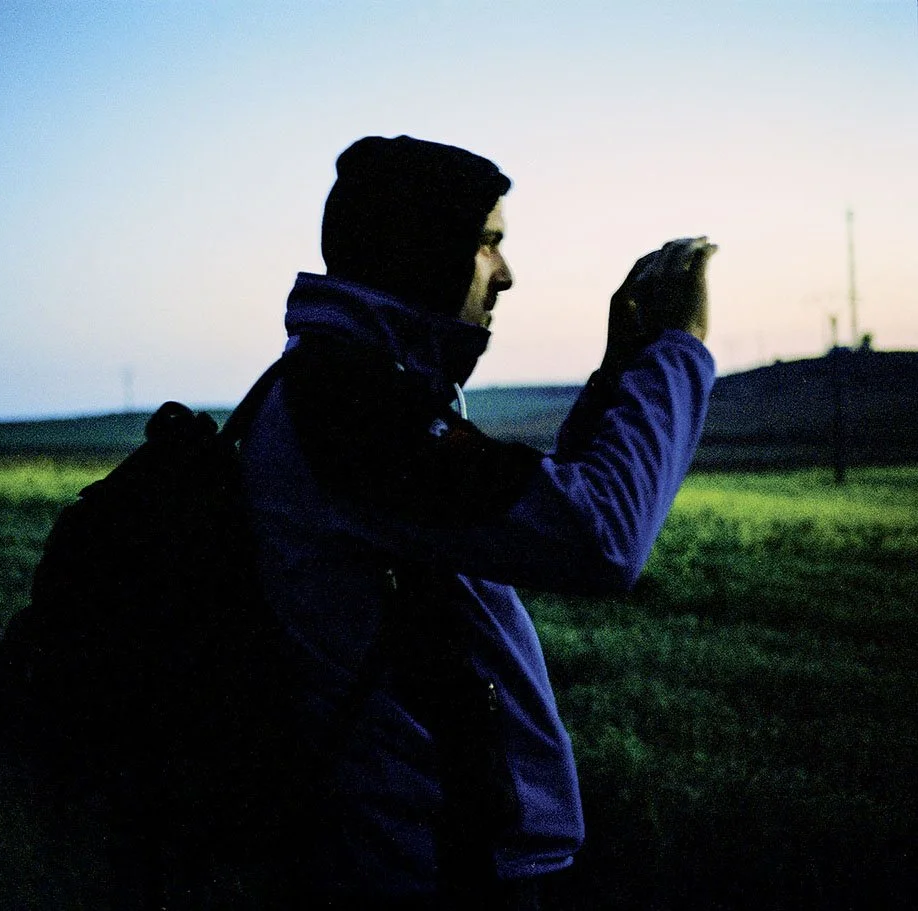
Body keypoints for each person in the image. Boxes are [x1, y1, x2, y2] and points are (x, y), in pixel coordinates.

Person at [237, 134, 716, 909]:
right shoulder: (353, 413)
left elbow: (536, 515)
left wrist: (618, 370)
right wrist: (679, 352)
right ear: (423, 248)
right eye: (488, 243)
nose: (508, 273)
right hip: (432, 871)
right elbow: (603, 539)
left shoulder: (345, 392)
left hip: (428, 856)